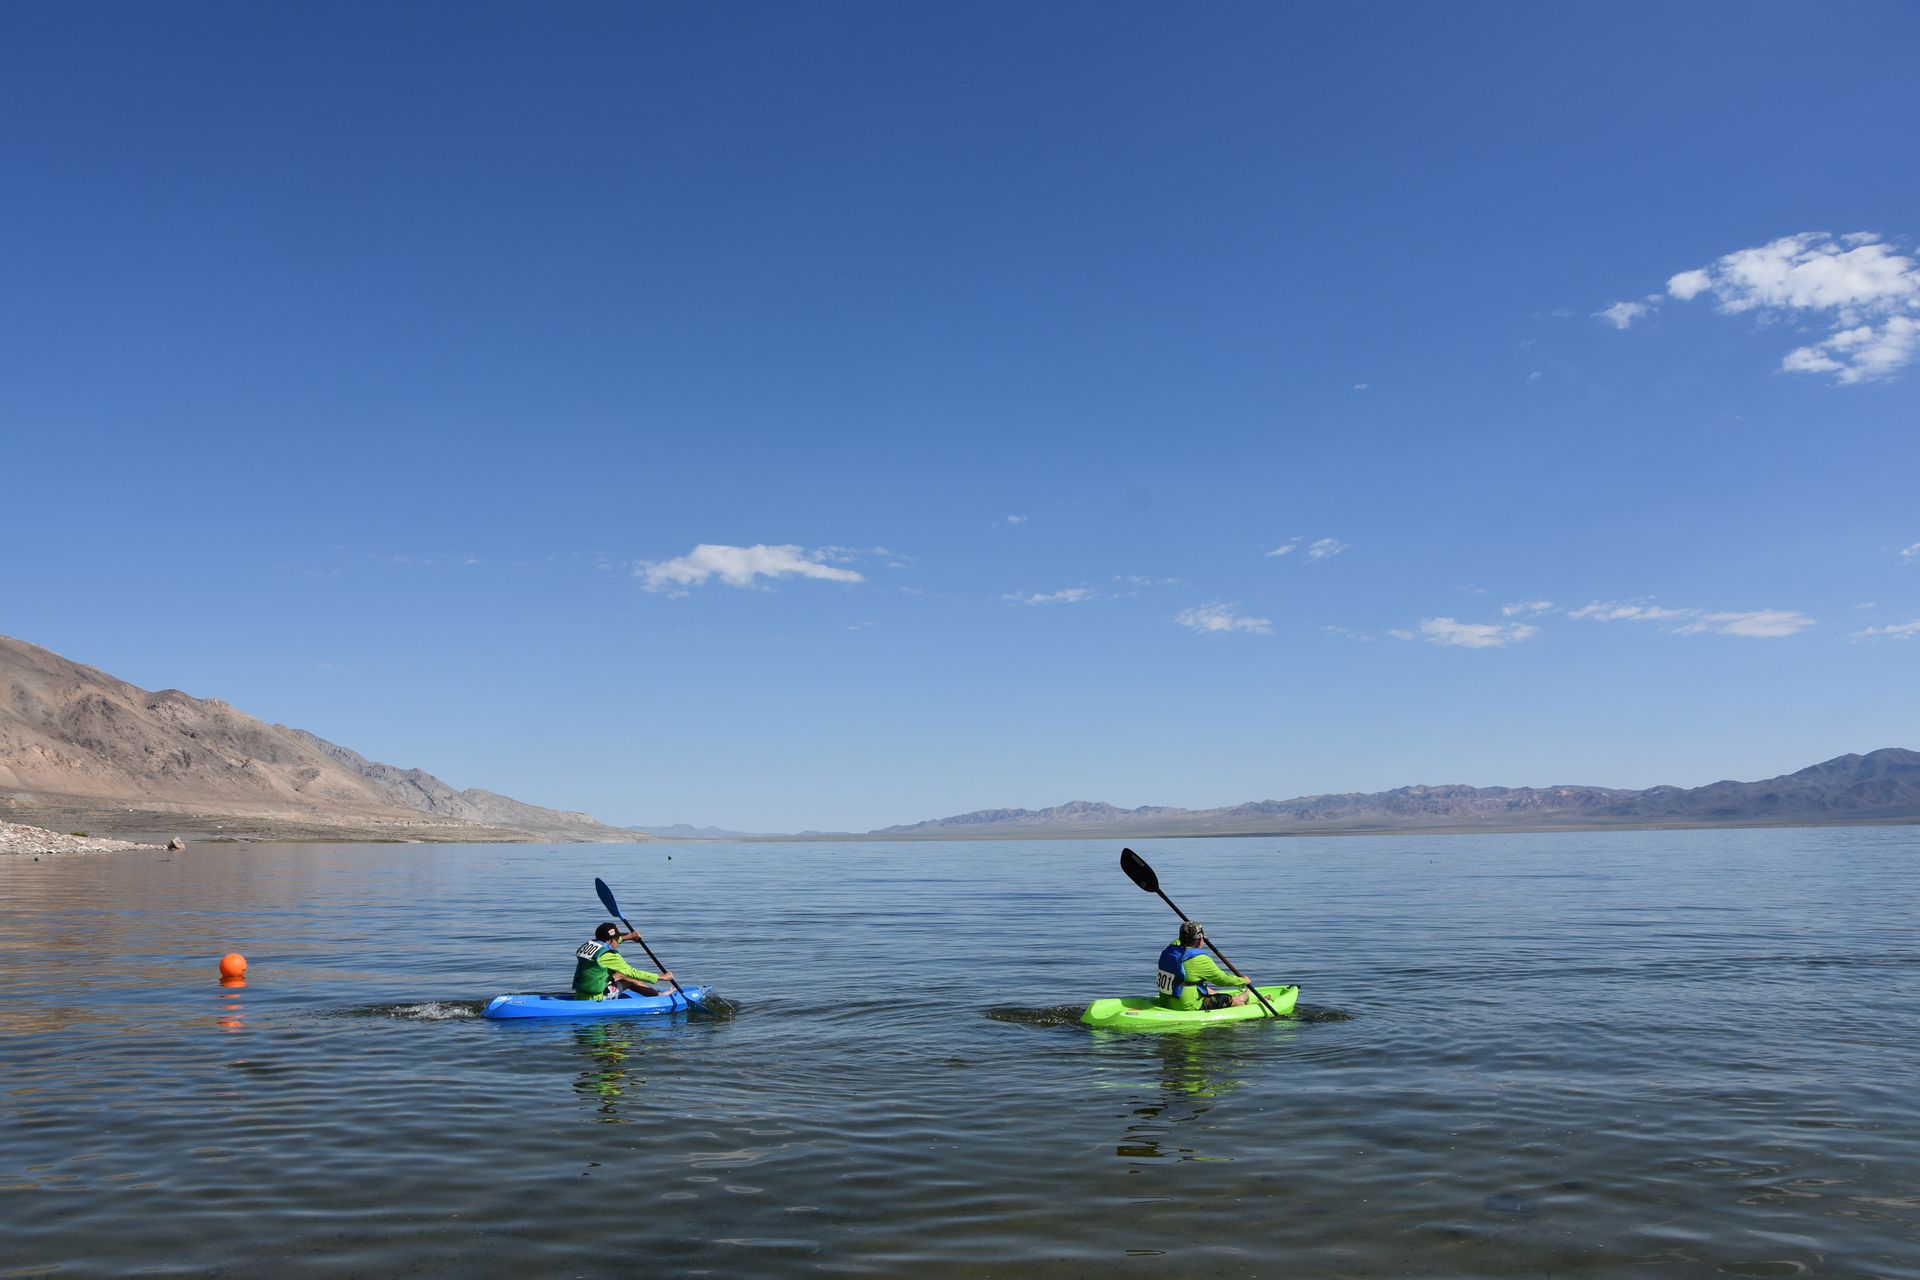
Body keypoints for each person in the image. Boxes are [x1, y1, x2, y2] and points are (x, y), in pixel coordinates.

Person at [1156, 920, 1252, 1010]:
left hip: (1165, 1000)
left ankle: (1240, 997)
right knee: (1226, 999)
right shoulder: (1200, 959)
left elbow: (1179, 941)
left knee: (1203, 988)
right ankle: (1245, 1006)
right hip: (1185, 1005)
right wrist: (1243, 981)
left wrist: (1189, 931)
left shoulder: (1169, 951)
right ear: (1200, 940)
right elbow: (1222, 979)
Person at [573, 922, 674, 1000]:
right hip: (596, 998)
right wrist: (661, 977)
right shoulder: (610, 955)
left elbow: (609, 942)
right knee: (629, 978)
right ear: (609, 940)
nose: (618, 941)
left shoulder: (589, 945)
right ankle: (660, 996)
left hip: (580, 993)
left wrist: (630, 936)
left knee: (619, 974)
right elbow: (633, 973)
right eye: (617, 938)